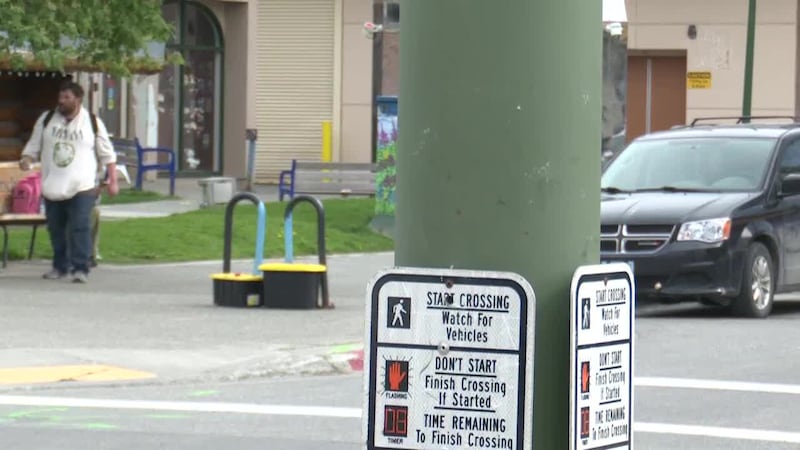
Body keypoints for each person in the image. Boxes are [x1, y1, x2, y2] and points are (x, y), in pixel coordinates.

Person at [19, 80, 118, 283]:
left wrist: (113, 181)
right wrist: (27, 158)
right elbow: (33, 145)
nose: (61, 102)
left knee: (80, 225)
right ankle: (60, 266)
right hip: (53, 184)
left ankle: (80, 268)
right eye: (60, 97)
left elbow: (108, 155)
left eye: (67, 98)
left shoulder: (92, 122)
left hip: (83, 186)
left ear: (78, 99)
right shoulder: (47, 120)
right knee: (56, 227)